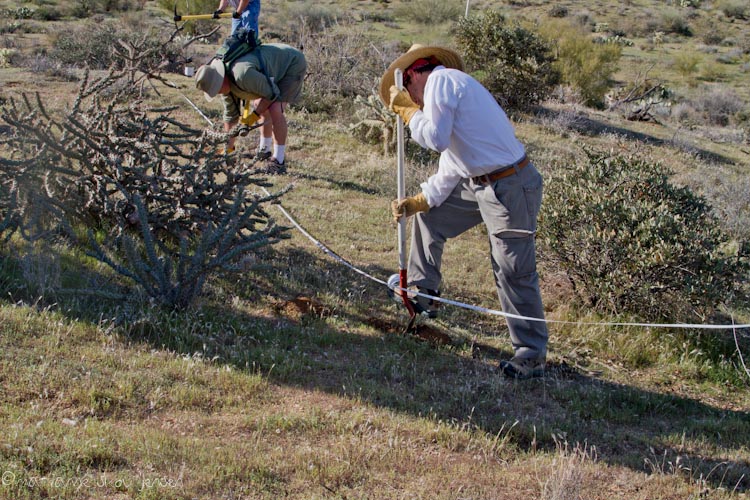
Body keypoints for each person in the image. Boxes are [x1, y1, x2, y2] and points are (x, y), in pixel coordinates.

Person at [382, 44, 549, 379]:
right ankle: (421, 291)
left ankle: (531, 356)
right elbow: (453, 162)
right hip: (481, 183)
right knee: (432, 215)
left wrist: (409, 114)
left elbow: (437, 139)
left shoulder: (443, 82)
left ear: (414, 74)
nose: (412, 100)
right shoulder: (447, 93)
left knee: (512, 270)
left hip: (510, 185)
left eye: (408, 91)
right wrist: (422, 200)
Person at [194, 43, 306, 173]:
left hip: (291, 63)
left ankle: (279, 161)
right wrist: (228, 149)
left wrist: (254, 116)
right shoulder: (226, 87)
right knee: (261, 105)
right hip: (269, 70)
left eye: (216, 89)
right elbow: (231, 116)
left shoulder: (243, 75)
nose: (217, 93)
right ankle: (264, 151)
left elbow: (272, 94)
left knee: (275, 109)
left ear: (221, 80)